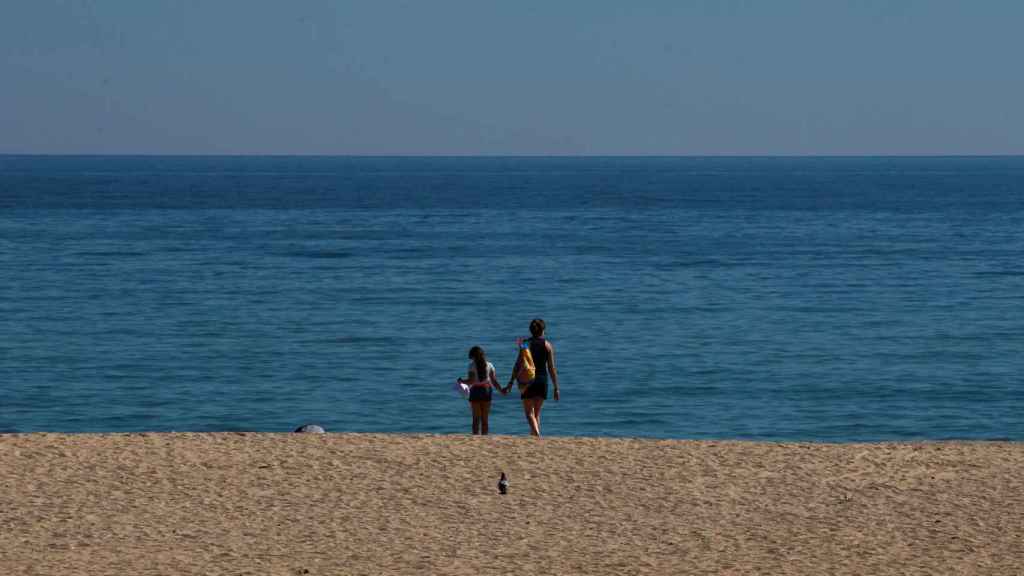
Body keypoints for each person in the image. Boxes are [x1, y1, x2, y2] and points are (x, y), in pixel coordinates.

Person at [505, 318, 559, 436]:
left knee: (529, 413)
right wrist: (556, 387)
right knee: (536, 414)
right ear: (542, 330)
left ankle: (536, 434)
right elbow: (551, 368)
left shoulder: (525, 344)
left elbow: (518, 364)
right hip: (542, 380)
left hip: (527, 380)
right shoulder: (547, 345)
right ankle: (534, 438)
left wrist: (510, 382)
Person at [458, 346, 502, 435]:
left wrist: (461, 381)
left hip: (476, 391)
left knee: (476, 418)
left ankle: (475, 437)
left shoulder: (472, 366)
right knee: (485, 419)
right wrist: (501, 390)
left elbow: (471, 381)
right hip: (486, 390)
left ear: (473, 356)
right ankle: (484, 438)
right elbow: (494, 381)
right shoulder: (490, 365)